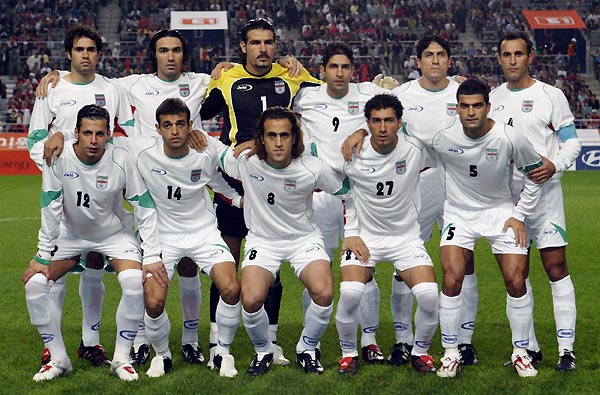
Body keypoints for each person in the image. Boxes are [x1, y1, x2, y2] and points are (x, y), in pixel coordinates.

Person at [200, 17, 321, 365]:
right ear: (243, 47)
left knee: (273, 265)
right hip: (237, 180)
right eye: (255, 42)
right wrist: (212, 74)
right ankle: (215, 344)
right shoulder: (228, 78)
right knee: (225, 262)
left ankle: (270, 342)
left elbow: (333, 86)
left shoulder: (292, 75)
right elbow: (198, 107)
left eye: (269, 42)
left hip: (277, 181)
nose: (263, 49)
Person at [23, 104, 160, 381]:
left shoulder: (121, 157)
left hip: (113, 234)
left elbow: (142, 204)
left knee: (134, 282)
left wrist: (153, 253)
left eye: (100, 134)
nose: (94, 140)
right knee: (35, 284)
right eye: (87, 133)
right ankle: (58, 358)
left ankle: (121, 358)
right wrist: (43, 254)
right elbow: (50, 205)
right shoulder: (58, 157)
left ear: (109, 134)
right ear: (75, 133)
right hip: (70, 234)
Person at [26, 24, 134, 369]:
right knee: (57, 269)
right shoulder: (52, 88)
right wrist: (54, 153)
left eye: (91, 49)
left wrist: (116, 163)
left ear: (98, 54)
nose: (85, 55)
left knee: (96, 266)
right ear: (69, 54)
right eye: (79, 49)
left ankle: (91, 342)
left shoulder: (112, 88)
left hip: (105, 189)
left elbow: (128, 133)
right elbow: (35, 141)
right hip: (66, 187)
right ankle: (53, 350)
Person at [217, 106, 347, 375]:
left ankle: (307, 348)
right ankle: (264, 350)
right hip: (263, 241)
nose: (278, 142)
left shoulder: (312, 168)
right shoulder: (247, 161)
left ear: (294, 137)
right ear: (261, 138)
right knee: (251, 299)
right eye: (271, 135)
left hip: (303, 239)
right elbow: (213, 154)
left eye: (284, 135)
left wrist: (355, 230)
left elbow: (346, 190)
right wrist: (196, 134)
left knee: (324, 293)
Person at [432, 78, 543, 378]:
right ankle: (451, 352)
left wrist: (520, 214)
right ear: (456, 108)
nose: (470, 112)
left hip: (500, 213)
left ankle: (521, 352)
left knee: (516, 279)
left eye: (477, 105)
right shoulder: (443, 138)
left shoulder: (509, 137)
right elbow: (402, 137)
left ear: (488, 107)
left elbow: (535, 174)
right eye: (465, 106)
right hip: (459, 215)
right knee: (452, 278)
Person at [125, 98, 242, 377]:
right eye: (168, 125)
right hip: (164, 237)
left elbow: (222, 179)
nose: (174, 130)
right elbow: (102, 139)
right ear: (158, 128)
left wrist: (241, 202)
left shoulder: (205, 149)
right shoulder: (142, 153)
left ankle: (222, 353)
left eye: (180, 124)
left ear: (191, 125)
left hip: (204, 234)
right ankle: (162, 355)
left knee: (231, 288)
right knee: (153, 303)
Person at [292, 42, 388, 364]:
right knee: (315, 271)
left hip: (356, 196)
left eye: (345, 67)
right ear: (322, 71)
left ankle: (370, 339)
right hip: (317, 196)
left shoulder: (365, 94)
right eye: (333, 67)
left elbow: (404, 102)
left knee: (365, 268)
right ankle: (313, 340)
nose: (340, 73)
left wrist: (362, 129)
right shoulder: (305, 96)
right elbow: (273, 85)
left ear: (353, 70)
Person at [490, 31, 580, 372]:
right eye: (506, 54)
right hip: (508, 200)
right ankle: (529, 346)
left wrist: (555, 164)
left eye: (518, 54)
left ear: (530, 57)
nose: (512, 60)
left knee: (556, 268)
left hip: (545, 197)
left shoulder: (549, 95)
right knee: (517, 274)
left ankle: (566, 349)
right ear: (499, 59)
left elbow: (571, 141)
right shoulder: (492, 99)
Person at [336, 93, 439, 375]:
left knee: (429, 296)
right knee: (350, 292)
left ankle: (420, 352)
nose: (383, 128)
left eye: (389, 121)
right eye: (376, 121)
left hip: (405, 238)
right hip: (365, 237)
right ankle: (348, 354)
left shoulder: (416, 149)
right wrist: (351, 232)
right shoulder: (352, 153)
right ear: (367, 123)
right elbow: (345, 195)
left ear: (399, 122)